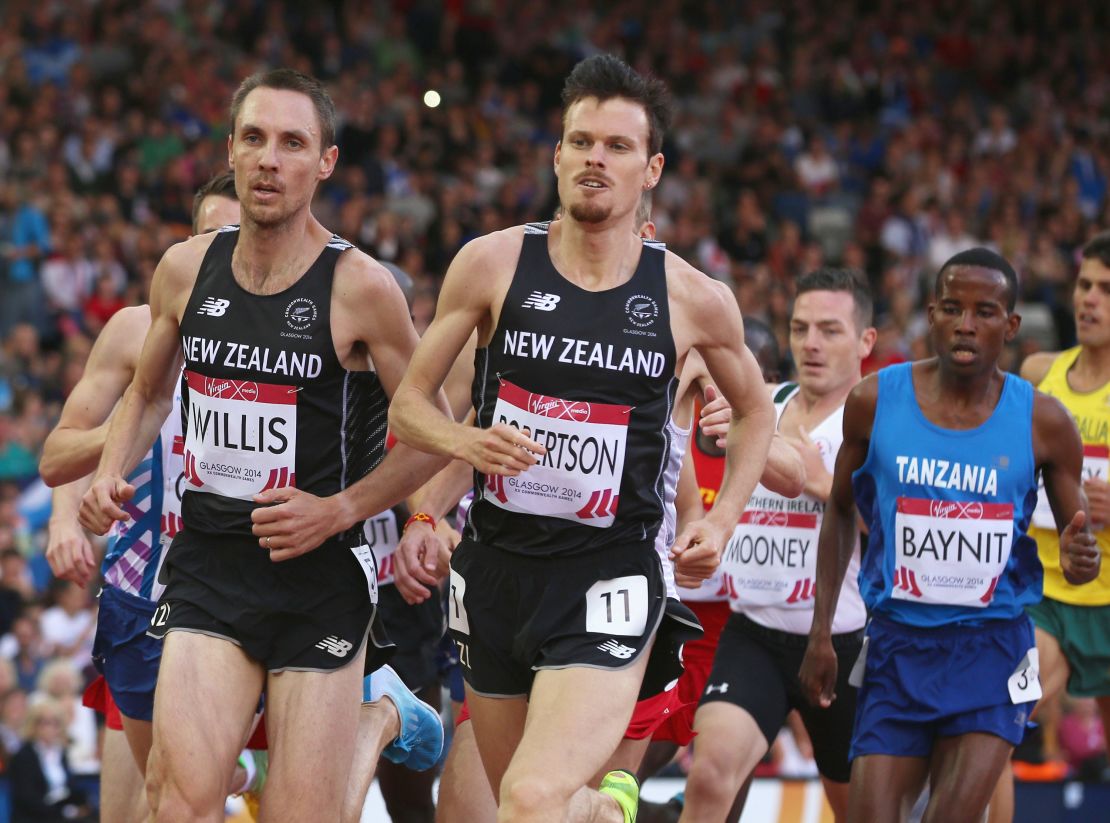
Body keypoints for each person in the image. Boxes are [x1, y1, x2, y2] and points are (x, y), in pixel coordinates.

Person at [390, 54, 775, 823]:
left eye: (617, 145)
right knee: (531, 805)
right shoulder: (492, 263)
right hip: (496, 572)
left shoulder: (692, 298)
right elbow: (408, 406)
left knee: (531, 799)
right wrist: (466, 448)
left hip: (610, 578)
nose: (595, 157)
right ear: (558, 154)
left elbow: (757, 411)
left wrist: (722, 518)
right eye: (581, 141)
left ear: (652, 168)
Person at [77, 69, 448, 822]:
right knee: (178, 801)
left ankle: (379, 716)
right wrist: (110, 470)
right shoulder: (185, 269)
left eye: (292, 143)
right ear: (232, 150)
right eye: (254, 139)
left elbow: (434, 430)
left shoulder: (361, 287)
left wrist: (341, 509)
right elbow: (149, 392)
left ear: (326, 163)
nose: (269, 159)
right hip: (210, 563)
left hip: (317, 580)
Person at [798, 248, 1101, 823]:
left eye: (985, 311)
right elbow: (838, 510)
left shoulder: (1044, 421)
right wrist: (820, 633)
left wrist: (1080, 558)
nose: (966, 324)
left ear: (1010, 326)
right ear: (930, 315)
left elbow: (1076, 544)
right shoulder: (873, 402)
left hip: (992, 652)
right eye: (951, 308)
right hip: (896, 649)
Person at [42, 170, 241, 823]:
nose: (225, 251)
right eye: (212, 236)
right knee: (143, 802)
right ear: (188, 243)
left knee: (186, 790)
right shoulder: (136, 331)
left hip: (245, 591)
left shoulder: (301, 334)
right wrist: (68, 520)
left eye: (239, 237)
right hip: (139, 588)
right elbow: (59, 452)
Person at [679, 268, 875, 823]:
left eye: (830, 330)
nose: (810, 342)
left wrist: (822, 482)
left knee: (861, 809)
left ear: (866, 341)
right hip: (754, 635)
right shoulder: (762, 400)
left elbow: (899, 527)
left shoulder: (879, 419)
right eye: (800, 327)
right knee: (710, 774)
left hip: (843, 643)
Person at [991, 231, 1110, 822]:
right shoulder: (1039, 372)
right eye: (1085, 285)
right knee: (996, 727)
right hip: (1048, 598)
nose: (1090, 300)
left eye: (1106, 290)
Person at [9, 698, 93, 823]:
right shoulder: (24, 756)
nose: (51, 728)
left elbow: (68, 788)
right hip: (35, 817)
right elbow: (27, 799)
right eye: (45, 722)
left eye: (56, 723)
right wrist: (66, 812)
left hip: (61, 813)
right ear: (34, 725)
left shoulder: (60, 752)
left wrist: (83, 804)